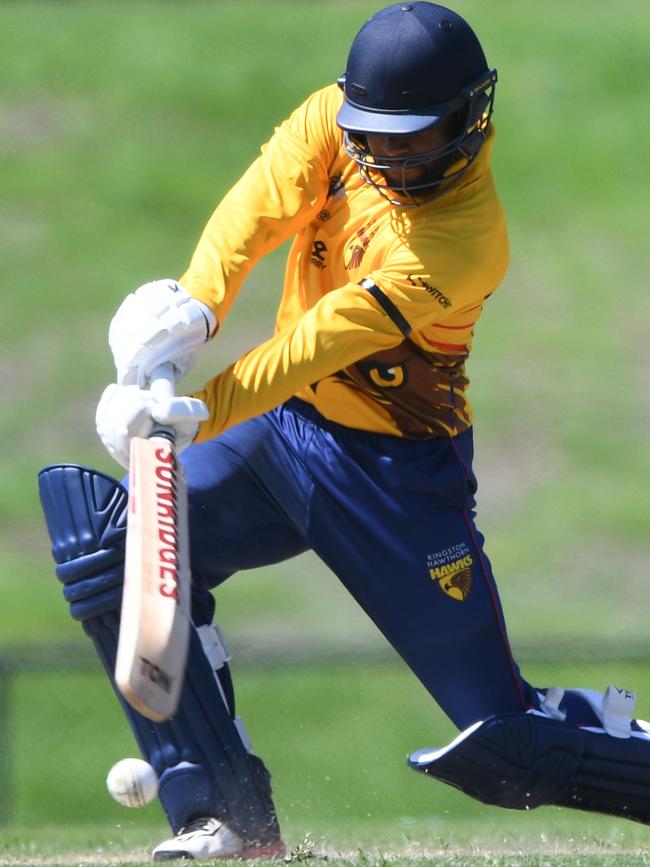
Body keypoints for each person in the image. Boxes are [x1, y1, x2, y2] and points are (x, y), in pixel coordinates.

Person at [38, 2, 650, 862]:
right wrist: (194, 307)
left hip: (396, 476)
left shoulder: (463, 242)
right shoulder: (333, 118)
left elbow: (315, 343)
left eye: (414, 138)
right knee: (118, 549)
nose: (391, 158)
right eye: (378, 138)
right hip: (283, 437)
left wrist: (192, 414)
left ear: (470, 118)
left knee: (508, 747)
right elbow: (259, 206)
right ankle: (227, 819)